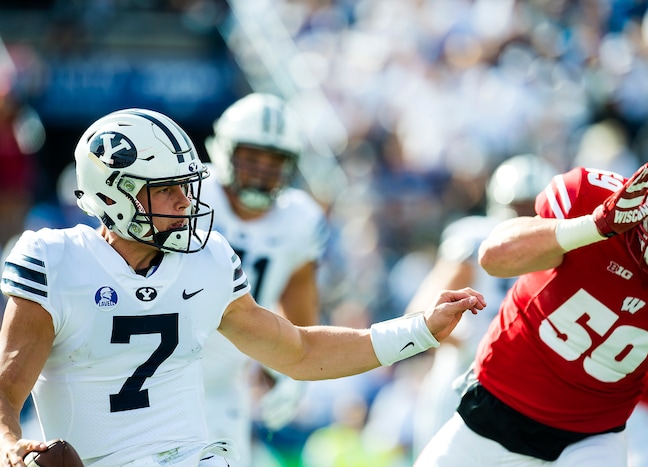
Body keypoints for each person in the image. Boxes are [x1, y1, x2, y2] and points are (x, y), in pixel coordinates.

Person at [0, 108, 485, 467]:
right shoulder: (56, 260)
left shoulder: (208, 261)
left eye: (187, 185)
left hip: (192, 457)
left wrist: (419, 329)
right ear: (114, 194)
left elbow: (299, 350)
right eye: (166, 188)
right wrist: (10, 447)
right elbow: (7, 389)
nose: (186, 201)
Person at [415, 134, 648, 467]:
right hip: (493, 406)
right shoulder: (591, 199)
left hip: (591, 439)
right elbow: (493, 258)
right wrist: (596, 225)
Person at [200, 93, 328, 466]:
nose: (261, 170)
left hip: (223, 387)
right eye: (251, 157)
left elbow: (298, 303)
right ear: (224, 150)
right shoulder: (189, 194)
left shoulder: (300, 220)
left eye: (274, 161)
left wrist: (292, 371)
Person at [406, 154, 558, 458]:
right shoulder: (476, 238)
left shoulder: (559, 252)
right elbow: (421, 310)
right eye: (518, 209)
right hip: (465, 381)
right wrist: (467, 345)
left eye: (532, 209)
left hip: (526, 389)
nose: (524, 219)